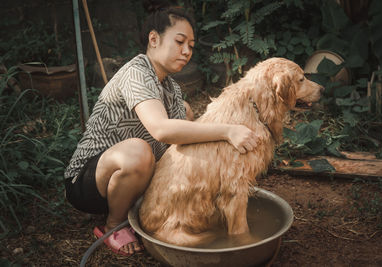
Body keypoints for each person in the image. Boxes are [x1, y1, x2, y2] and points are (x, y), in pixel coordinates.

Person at [64, 6, 260, 256]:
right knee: (139, 151)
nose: (187, 51)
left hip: (133, 179)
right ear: (154, 39)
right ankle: (112, 226)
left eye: (191, 45)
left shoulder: (171, 88)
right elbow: (161, 130)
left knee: (187, 114)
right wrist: (228, 131)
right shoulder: (136, 72)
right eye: (179, 42)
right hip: (88, 182)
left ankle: (134, 201)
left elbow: (187, 138)